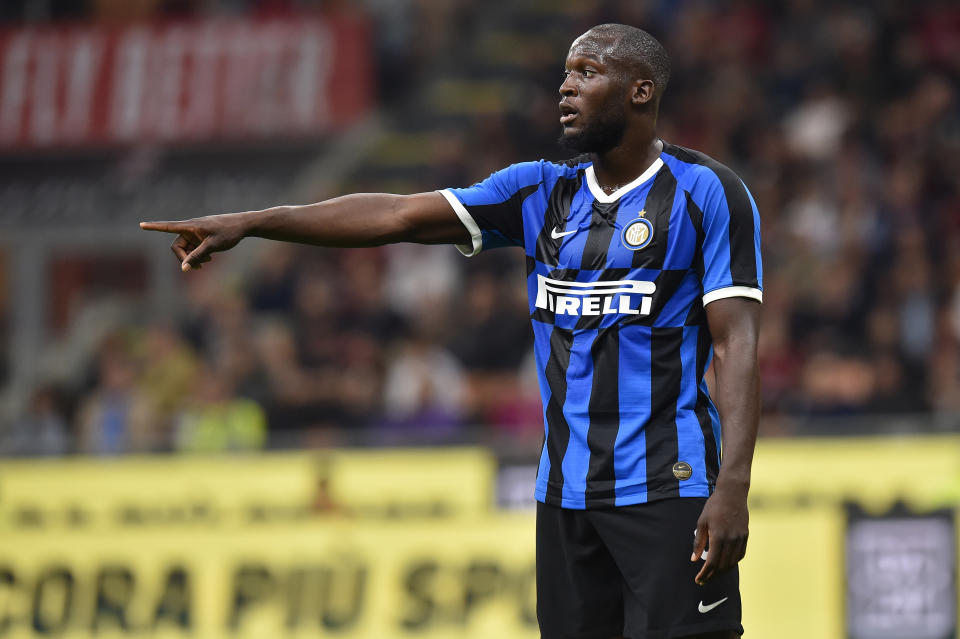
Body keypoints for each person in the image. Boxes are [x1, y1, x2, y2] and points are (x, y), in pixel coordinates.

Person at [142, 23, 761, 639]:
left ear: (641, 91)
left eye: (588, 73)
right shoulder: (539, 189)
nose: (566, 88)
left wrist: (732, 485)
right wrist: (251, 222)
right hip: (564, 495)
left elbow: (736, 344)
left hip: (670, 486)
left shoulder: (709, 193)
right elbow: (396, 214)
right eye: (566, 74)